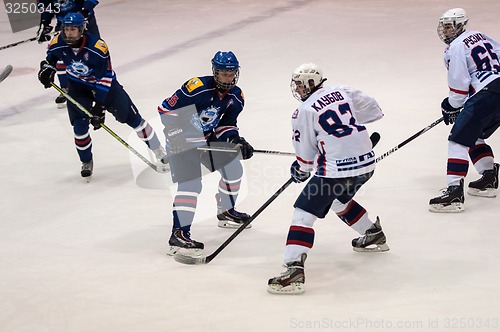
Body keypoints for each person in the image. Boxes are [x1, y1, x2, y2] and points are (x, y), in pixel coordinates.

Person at [267, 63, 389, 295]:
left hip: (335, 172)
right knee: (337, 201)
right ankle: (372, 234)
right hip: (366, 165)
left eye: (301, 84)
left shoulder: (304, 110)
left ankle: (293, 270)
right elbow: (374, 110)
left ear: (311, 84)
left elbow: (305, 153)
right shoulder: (343, 91)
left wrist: (301, 168)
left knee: (303, 213)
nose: (298, 88)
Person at [37, 12, 167, 180]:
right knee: (79, 126)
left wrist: (99, 107)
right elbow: (51, 59)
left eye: (73, 30)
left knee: (134, 120)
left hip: (106, 87)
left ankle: (158, 149)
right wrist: (47, 69)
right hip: (78, 87)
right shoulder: (57, 42)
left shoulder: (97, 48)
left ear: (82, 30)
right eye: (66, 29)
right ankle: (86, 161)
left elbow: (105, 78)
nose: (68, 33)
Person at [157, 51, 254, 256]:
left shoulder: (236, 96)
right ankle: (179, 234)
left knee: (234, 169)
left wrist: (236, 140)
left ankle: (226, 211)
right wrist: (176, 134)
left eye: (231, 74)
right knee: (191, 184)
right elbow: (165, 109)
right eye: (223, 74)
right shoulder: (195, 88)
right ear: (215, 72)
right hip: (182, 139)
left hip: (207, 139)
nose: (228, 78)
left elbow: (226, 125)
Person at [429, 8, 500, 213]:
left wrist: (450, 106)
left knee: (458, 139)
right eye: (444, 26)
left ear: (460, 25)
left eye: (449, 26)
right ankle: (488, 177)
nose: (445, 31)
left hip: (485, 94)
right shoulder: (480, 37)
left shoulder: (457, 47)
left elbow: (459, 86)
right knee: (474, 135)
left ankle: (453, 193)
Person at [36, 0, 101, 107]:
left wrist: (85, 11)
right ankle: (66, 88)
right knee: (59, 54)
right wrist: (45, 22)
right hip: (64, 24)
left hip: (85, 21)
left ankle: (95, 86)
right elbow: (46, 5)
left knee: (92, 55)